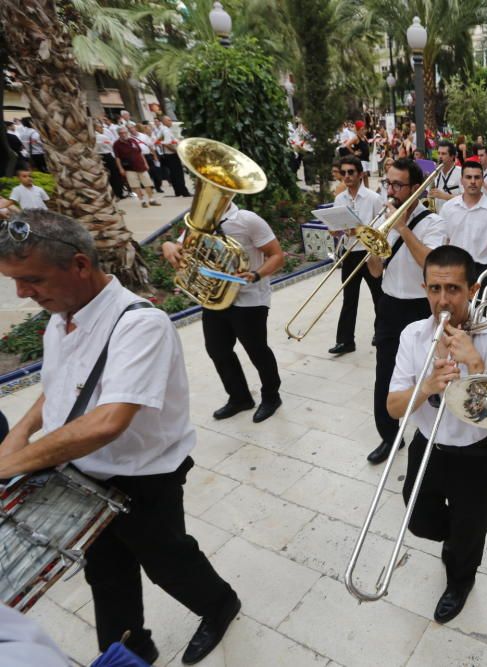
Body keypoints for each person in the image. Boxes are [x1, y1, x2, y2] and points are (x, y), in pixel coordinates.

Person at [0, 210, 240, 665]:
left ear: (79, 265)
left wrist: (13, 462)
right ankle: (128, 650)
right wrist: (18, 436)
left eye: (31, 279)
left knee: (167, 560)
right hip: (82, 472)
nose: (22, 293)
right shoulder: (62, 312)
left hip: (143, 477)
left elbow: (109, 421)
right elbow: (59, 385)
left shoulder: (139, 324)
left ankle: (220, 604)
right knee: (105, 574)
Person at [389, 244, 487, 623]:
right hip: (427, 446)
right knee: (419, 521)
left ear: (472, 291)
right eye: (434, 289)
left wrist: (475, 363)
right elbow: (393, 407)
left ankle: (460, 581)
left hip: (475, 455)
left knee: (468, 536)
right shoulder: (412, 336)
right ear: (424, 288)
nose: (442, 300)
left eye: (453, 289)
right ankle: (459, 538)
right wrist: (428, 386)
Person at [161, 203, 285, 424]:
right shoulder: (200, 220)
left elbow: (277, 255)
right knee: (217, 350)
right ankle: (239, 398)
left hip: (249, 299)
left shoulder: (247, 220)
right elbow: (180, 247)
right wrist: (168, 245)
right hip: (215, 297)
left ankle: (271, 397)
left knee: (256, 350)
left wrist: (256, 274)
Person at [365, 158, 448, 464]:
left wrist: (402, 228)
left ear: (415, 189)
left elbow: (431, 263)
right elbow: (375, 272)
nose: (392, 190)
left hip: (420, 307)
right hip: (389, 304)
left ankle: (430, 432)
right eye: (389, 183)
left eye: (398, 185)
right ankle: (389, 435)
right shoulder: (382, 219)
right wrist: (373, 250)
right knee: (384, 372)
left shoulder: (434, 223)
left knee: (426, 372)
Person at [328, 155, 385, 356]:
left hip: (369, 254)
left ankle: (381, 333)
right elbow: (337, 225)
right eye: (343, 172)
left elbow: (382, 227)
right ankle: (345, 341)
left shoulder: (373, 198)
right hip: (350, 253)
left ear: (360, 174)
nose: (347, 176)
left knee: (379, 297)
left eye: (351, 172)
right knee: (349, 298)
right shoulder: (339, 198)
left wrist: (359, 231)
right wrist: (335, 230)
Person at [440, 159, 487, 280]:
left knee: (479, 300)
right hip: (453, 267)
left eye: (477, 177)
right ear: (461, 180)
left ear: (482, 180)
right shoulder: (448, 208)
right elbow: (444, 241)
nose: (472, 181)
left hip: (482, 270)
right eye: (468, 177)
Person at [113, 126, 159, 208]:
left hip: (140, 165)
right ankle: (143, 201)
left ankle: (151, 200)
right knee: (135, 185)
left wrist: (145, 163)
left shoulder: (133, 140)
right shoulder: (116, 144)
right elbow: (117, 158)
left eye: (125, 132)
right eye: (121, 133)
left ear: (127, 133)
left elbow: (140, 153)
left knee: (147, 183)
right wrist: (120, 168)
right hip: (129, 168)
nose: (123, 134)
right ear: (118, 134)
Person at [157, 115, 192, 197]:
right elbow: (167, 144)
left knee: (174, 174)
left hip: (169, 155)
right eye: (168, 120)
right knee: (178, 174)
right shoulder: (165, 131)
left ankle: (178, 191)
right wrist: (176, 151)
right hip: (171, 155)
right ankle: (184, 192)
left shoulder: (163, 130)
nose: (171, 122)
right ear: (164, 121)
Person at [429, 141, 462, 210]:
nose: (440, 156)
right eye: (439, 153)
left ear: (452, 156)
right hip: (437, 215)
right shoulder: (435, 173)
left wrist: (444, 196)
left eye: (443, 154)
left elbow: (466, 198)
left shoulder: (461, 173)